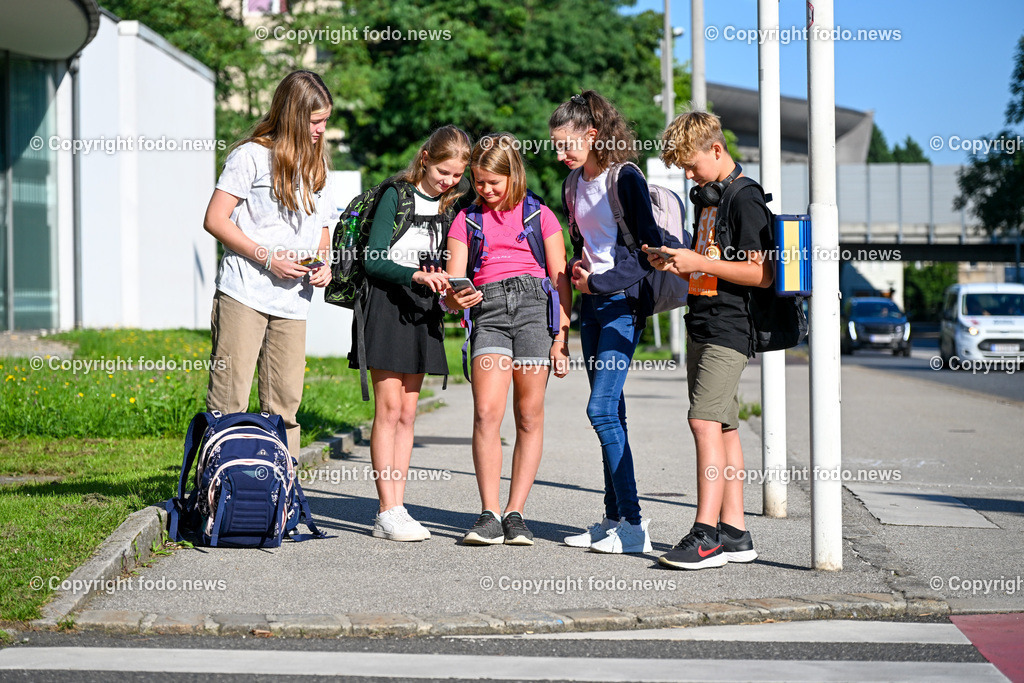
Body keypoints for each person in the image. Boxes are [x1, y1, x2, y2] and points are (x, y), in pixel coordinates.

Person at [645, 110, 773, 569]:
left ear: (716, 149)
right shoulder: (708, 199)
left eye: (691, 165)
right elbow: (711, 265)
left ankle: (706, 535)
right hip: (702, 319)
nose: (688, 176)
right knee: (723, 426)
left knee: (702, 422)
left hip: (729, 326)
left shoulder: (745, 198)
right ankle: (735, 532)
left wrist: (699, 262)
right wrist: (677, 263)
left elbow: (761, 273)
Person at [548, 91, 674, 554]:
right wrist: (579, 271)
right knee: (612, 413)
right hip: (592, 309)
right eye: (555, 146)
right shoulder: (573, 184)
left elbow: (651, 252)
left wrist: (599, 281)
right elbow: (586, 245)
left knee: (600, 410)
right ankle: (612, 519)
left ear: (593, 134)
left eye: (566, 145)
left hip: (623, 303)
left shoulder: (625, 178)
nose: (559, 155)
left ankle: (635, 526)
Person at [444, 133, 572, 546]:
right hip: (489, 312)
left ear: (513, 175)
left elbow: (560, 280)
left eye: (493, 182)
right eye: (478, 182)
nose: (484, 189)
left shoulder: (541, 216)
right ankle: (489, 513)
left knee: (529, 414)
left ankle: (515, 513)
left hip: (535, 309)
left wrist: (561, 338)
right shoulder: (466, 220)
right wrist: (454, 297)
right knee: (486, 412)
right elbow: (453, 283)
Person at [203, 70, 336, 458]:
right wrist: (267, 257)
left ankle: (282, 488)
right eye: (315, 121)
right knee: (229, 401)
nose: (322, 129)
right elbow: (215, 219)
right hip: (244, 292)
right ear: (293, 115)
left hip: (293, 302)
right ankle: (219, 486)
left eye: (325, 120)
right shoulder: (250, 157)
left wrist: (323, 262)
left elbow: (322, 228)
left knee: (285, 407)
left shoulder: (317, 164)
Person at [350, 125, 472, 542]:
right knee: (388, 411)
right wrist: (416, 275)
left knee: (408, 413)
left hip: (424, 310)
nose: (449, 181)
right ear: (425, 159)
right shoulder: (396, 195)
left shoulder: (450, 205)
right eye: (443, 172)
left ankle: (399, 507)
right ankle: (386, 510)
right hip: (386, 306)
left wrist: (453, 289)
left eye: (457, 175)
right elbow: (373, 259)